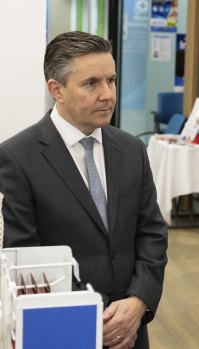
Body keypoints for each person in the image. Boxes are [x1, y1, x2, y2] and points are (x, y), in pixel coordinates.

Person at [0, 31, 167, 349]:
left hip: (132, 330)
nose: (108, 94)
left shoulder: (131, 149)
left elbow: (152, 233)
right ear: (56, 90)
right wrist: (96, 315)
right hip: (64, 330)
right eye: (92, 83)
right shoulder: (16, 157)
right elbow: (26, 260)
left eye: (112, 80)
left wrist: (138, 301)